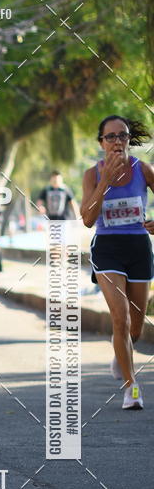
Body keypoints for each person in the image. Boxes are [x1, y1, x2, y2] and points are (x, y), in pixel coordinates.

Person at [81, 114, 154, 410]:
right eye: (110, 137)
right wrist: (105, 183)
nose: (117, 141)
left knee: (135, 327)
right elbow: (87, 219)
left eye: (122, 135)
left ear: (128, 140)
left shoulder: (143, 170)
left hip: (138, 246)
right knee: (120, 317)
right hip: (107, 247)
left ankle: (121, 352)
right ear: (101, 143)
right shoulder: (92, 174)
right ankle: (131, 386)